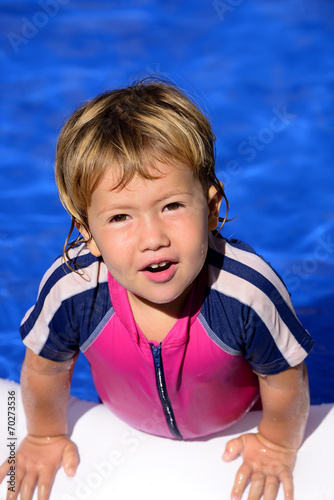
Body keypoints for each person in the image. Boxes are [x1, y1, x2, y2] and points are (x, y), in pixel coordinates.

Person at [0, 77, 314, 500]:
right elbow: (46, 368)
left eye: (172, 206)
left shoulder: (245, 293)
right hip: (121, 421)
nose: (153, 237)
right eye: (120, 218)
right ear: (87, 233)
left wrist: (277, 443)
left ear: (211, 210)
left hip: (235, 422)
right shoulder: (73, 289)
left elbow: (284, 378)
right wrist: (42, 437)